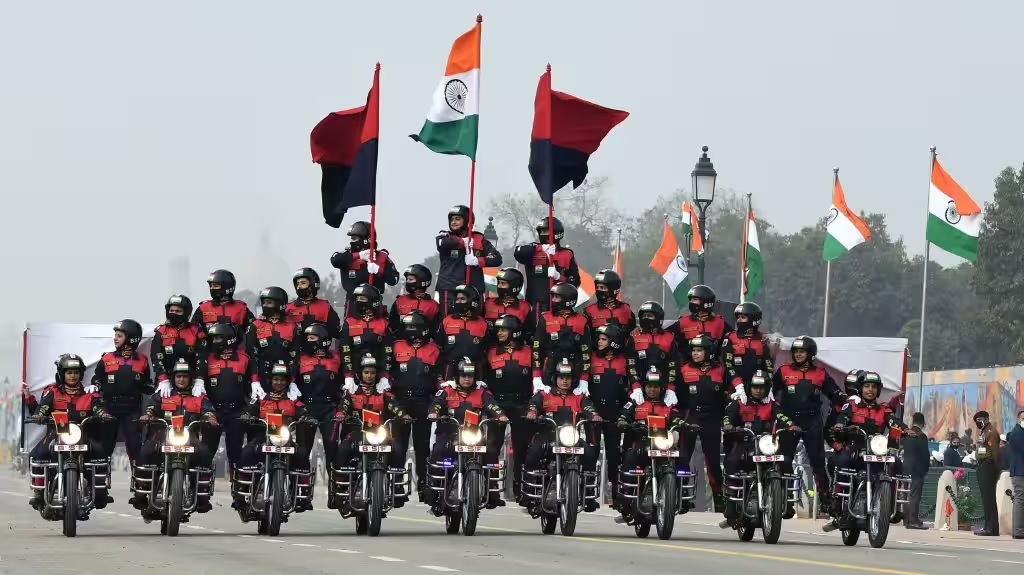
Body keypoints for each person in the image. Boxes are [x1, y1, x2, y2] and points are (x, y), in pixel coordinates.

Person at [28, 354, 113, 511]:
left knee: (101, 453)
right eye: (69, 372)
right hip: (55, 436)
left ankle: (100, 490)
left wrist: (103, 415)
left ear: (80, 374)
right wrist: (39, 415)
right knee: (36, 455)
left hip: (82, 438)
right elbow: (44, 408)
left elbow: (98, 408)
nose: (73, 376)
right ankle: (39, 492)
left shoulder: (89, 394)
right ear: (62, 374)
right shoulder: (52, 393)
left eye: (75, 372)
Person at [772, 335, 845, 518]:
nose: (798, 355)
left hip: (812, 421)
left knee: (818, 462)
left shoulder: (820, 373)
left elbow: (836, 396)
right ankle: (786, 500)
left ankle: (826, 502)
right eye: (795, 352)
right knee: (784, 460)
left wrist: (845, 409)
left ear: (810, 354)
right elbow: (769, 395)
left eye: (801, 352)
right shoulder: (782, 371)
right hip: (789, 421)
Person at [136, 359, 218, 514]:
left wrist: (210, 418)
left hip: (189, 438)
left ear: (191, 379)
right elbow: (151, 408)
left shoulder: (199, 397)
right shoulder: (163, 394)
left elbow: (208, 410)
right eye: (178, 376)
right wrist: (147, 415)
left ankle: (201, 494)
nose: (181, 380)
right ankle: (141, 491)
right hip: (163, 436)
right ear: (173, 378)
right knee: (144, 451)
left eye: (185, 376)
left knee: (205, 454)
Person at [828, 371, 909, 529]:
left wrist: (907, 430)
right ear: (860, 388)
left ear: (878, 390)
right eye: (867, 386)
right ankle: (839, 499)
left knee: (897, 462)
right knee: (843, 460)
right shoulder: (851, 406)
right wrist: (840, 425)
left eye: (873, 387)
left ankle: (894, 502)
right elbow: (843, 417)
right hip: (856, 447)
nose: (870, 390)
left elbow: (895, 421)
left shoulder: (884, 409)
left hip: (876, 450)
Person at [332, 354, 412, 508]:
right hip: (357, 432)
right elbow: (343, 405)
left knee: (398, 448)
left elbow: (395, 406)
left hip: (379, 433)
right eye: (366, 372)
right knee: (343, 448)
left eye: (373, 373)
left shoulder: (383, 393)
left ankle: (396, 485)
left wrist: (404, 415)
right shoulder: (352, 393)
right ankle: (340, 484)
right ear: (360, 374)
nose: (369, 376)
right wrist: (341, 414)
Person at [426, 358, 508, 507]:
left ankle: (492, 491)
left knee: (491, 451)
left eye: (470, 376)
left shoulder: (482, 392)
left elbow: (492, 405)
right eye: (463, 376)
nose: (467, 379)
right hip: (449, 434)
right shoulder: (447, 390)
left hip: (473, 436)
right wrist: (433, 412)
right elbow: (436, 404)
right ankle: (434, 489)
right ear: (457, 377)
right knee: (439, 451)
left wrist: (500, 415)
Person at [524, 358, 602, 512]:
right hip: (549, 435)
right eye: (561, 378)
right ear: (555, 378)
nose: (564, 381)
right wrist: (532, 412)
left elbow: (589, 408)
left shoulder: (579, 397)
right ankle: (530, 491)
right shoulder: (545, 394)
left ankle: (589, 494)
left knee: (589, 453)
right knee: (533, 452)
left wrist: (594, 416)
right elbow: (533, 404)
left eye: (567, 378)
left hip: (571, 438)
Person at [237, 361, 315, 513]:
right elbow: (249, 411)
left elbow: (304, 412)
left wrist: (308, 417)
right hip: (263, 438)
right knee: (246, 452)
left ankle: (303, 494)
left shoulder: (293, 401)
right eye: (276, 379)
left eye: (282, 380)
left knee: (302, 454)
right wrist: (247, 416)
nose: (279, 383)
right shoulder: (261, 399)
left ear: (287, 382)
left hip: (285, 440)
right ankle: (242, 490)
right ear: (271, 381)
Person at [721, 370, 796, 523]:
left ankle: (788, 500)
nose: (758, 390)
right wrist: (728, 425)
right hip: (744, 443)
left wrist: (791, 425)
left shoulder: (772, 405)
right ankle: (731, 501)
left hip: (766, 444)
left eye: (762, 387)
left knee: (786, 462)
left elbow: (781, 416)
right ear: (750, 387)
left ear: (767, 388)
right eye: (755, 387)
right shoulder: (739, 402)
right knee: (732, 461)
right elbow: (728, 416)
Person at [387, 312, 444, 500]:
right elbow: (387, 370)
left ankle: (423, 486)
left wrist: (442, 388)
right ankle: (396, 487)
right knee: (398, 446)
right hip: (400, 400)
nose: (408, 331)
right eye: (407, 327)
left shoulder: (434, 349)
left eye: (412, 327)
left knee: (422, 446)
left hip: (423, 401)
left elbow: (438, 375)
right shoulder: (396, 346)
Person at [616, 366, 685, 516]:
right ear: (644, 387)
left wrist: (683, 423)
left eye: (656, 387)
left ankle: (680, 496)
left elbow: (676, 417)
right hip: (641, 442)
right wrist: (623, 422)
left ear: (661, 389)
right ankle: (625, 495)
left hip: (662, 444)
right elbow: (623, 416)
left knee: (682, 458)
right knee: (630, 456)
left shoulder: (668, 405)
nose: (652, 390)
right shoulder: (636, 402)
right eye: (649, 386)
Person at [482, 314, 535, 501]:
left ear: (514, 332)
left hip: (521, 403)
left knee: (521, 448)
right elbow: (484, 380)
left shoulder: (529, 352)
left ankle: (521, 491)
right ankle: (491, 490)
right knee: (491, 447)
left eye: (504, 329)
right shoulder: (492, 352)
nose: (500, 333)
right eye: (499, 330)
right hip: (498, 403)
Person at [677, 334, 730, 511]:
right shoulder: (684, 369)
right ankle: (680, 494)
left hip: (712, 419)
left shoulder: (721, 370)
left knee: (713, 462)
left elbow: (729, 394)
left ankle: (719, 498)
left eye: (699, 350)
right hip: (690, 417)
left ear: (709, 352)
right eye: (693, 350)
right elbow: (677, 396)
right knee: (683, 457)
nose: (695, 353)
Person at [93, 319, 153, 466]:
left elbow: (146, 385)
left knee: (134, 446)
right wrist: (94, 386)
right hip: (110, 408)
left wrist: (156, 388)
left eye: (119, 335)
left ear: (131, 338)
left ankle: (140, 482)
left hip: (132, 409)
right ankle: (100, 482)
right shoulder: (106, 358)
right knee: (105, 446)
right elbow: (97, 379)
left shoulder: (142, 360)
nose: (115, 338)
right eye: (115, 335)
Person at [201, 322, 259, 473]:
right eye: (212, 338)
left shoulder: (244, 358)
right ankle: (200, 490)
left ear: (229, 339)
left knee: (234, 453)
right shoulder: (208, 359)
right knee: (206, 452)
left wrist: (249, 409)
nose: (214, 342)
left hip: (236, 412)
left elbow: (252, 388)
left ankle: (237, 488)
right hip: (214, 412)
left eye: (218, 338)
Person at [295, 323, 343, 480]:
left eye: (312, 337)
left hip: (329, 409)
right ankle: (301, 492)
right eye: (307, 338)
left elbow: (344, 382)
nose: (308, 340)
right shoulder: (300, 359)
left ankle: (335, 489)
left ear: (323, 340)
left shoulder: (336, 358)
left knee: (332, 449)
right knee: (302, 451)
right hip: (306, 409)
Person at [589, 324, 629, 502]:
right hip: (596, 411)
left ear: (613, 342)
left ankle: (616, 495)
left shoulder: (624, 361)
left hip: (615, 412)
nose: (599, 342)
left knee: (614, 454)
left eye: (604, 339)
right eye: (599, 338)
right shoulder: (591, 358)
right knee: (591, 452)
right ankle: (588, 494)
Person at [514, 216, 581, 323]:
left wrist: (559, 277)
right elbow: (518, 253)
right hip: (536, 303)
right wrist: (541, 248)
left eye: (545, 231)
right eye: (541, 231)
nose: (542, 234)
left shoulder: (567, 254)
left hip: (559, 305)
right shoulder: (533, 250)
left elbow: (575, 282)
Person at [435, 205, 502, 313]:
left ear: (467, 221)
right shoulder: (446, 236)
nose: (454, 222)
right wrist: (462, 242)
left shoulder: (479, 239)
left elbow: (497, 258)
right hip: (450, 289)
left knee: (475, 321)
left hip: (474, 290)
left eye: (458, 219)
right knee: (449, 322)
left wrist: (477, 260)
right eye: (452, 219)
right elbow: (442, 244)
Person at [329, 221, 401, 317]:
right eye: (351, 238)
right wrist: (359, 255)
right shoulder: (348, 256)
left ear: (366, 239)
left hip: (375, 305)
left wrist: (378, 270)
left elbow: (394, 280)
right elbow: (335, 260)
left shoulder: (381, 257)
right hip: (353, 305)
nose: (351, 242)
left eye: (354, 238)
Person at [532, 283, 592, 396]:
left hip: (574, 367)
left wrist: (584, 379)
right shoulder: (545, 318)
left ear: (567, 299)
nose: (553, 300)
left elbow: (586, 353)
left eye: (556, 297)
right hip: (550, 366)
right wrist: (536, 377)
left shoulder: (582, 320)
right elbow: (536, 349)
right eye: (553, 296)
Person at [245, 286, 300, 396]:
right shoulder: (255, 325)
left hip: (284, 376)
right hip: (262, 375)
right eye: (264, 302)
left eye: (269, 302)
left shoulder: (292, 326)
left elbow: (296, 356)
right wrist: (255, 380)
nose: (265, 305)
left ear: (280, 304)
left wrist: (293, 381)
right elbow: (251, 355)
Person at [151, 294, 208, 398]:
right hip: (166, 381)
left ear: (186, 313)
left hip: (191, 382)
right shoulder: (161, 331)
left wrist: (199, 379)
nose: (174, 314)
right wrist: (163, 379)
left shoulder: (196, 331)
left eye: (178, 311)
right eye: (171, 311)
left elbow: (202, 356)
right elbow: (156, 357)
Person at [625, 301, 680, 406]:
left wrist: (671, 388)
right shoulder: (634, 336)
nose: (646, 318)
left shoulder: (669, 337)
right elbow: (630, 363)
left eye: (649, 315)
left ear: (658, 318)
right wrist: (636, 387)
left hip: (661, 388)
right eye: (644, 315)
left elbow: (673, 364)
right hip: (640, 387)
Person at [339, 284, 392, 394]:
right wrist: (348, 376)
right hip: (355, 377)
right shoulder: (349, 323)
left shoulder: (383, 324)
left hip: (376, 377)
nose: (358, 301)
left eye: (362, 298)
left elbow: (387, 352)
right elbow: (345, 351)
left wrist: (385, 376)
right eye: (357, 298)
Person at [720, 302, 772, 399]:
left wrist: (769, 387)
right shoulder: (731, 337)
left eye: (743, 317)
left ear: (754, 320)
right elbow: (728, 363)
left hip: (757, 387)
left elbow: (768, 366)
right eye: (738, 317)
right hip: (735, 387)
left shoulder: (762, 339)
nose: (739, 320)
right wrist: (738, 385)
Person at [438, 284, 490, 378]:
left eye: (462, 299)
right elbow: (439, 347)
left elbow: (486, 349)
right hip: (451, 370)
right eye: (457, 299)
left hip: (475, 371)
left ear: (472, 301)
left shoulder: (482, 323)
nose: (459, 301)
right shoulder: (447, 321)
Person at [669, 285, 732, 357]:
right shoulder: (683, 322)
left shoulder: (720, 323)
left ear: (706, 302)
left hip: (714, 366)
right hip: (688, 366)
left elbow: (734, 339)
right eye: (690, 300)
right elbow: (666, 337)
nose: (691, 302)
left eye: (695, 299)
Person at [286, 267, 344, 340]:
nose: (299, 286)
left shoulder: (325, 306)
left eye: (303, 283)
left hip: (320, 349)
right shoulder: (289, 308)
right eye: (297, 284)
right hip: (297, 349)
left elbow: (336, 331)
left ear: (312, 284)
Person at [192, 269, 255, 336]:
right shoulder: (203, 308)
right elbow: (192, 331)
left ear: (227, 287)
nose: (212, 288)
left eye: (216, 286)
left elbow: (253, 331)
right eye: (210, 286)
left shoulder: (241, 308)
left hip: (235, 346)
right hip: (210, 346)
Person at [389, 264, 442, 337]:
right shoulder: (399, 301)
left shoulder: (433, 305)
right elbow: (392, 326)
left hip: (424, 345)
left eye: (411, 279)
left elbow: (436, 330)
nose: (407, 282)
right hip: (402, 344)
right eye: (407, 279)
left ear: (422, 281)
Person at [973, 410, 1002, 536]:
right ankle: (988, 526)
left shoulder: (991, 432)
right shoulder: (984, 432)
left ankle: (991, 528)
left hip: (988, 466)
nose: (977, 424)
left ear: (984, 419)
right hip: (982, 466)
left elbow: (994, 452)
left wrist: (996, 468)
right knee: (986, 499)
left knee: (989, 498)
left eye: (978, 421)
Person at [482, 267, 534, 339]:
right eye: (498, 283)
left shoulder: (524, 306)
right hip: (491, 346)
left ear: (514, 286)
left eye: (503, 284)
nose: (499, 286)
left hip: (514, 347)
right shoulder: (488, 303)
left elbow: (529, 331)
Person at [584, 269, 636, 337]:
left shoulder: (625, 309)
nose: (599, 290)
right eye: (597, 287)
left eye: (602, 287)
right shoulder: (589, 311)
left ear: (613, 289)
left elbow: (633, 332)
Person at [902, 411, 930, 529]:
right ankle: (913, 520)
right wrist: (926, 468)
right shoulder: (922, 436)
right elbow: (925, 454)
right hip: (918, 468)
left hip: (906, 467)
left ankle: (906, 519)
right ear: (923, 423)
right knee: (914, 495)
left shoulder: (906, 434)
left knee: (905, 494)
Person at [1006, 408, 1024, 539]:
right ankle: (1018, 530)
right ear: (1019, 419)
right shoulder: (1017, 433)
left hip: (1019, 471)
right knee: (1020, 500)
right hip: (1020, 472)